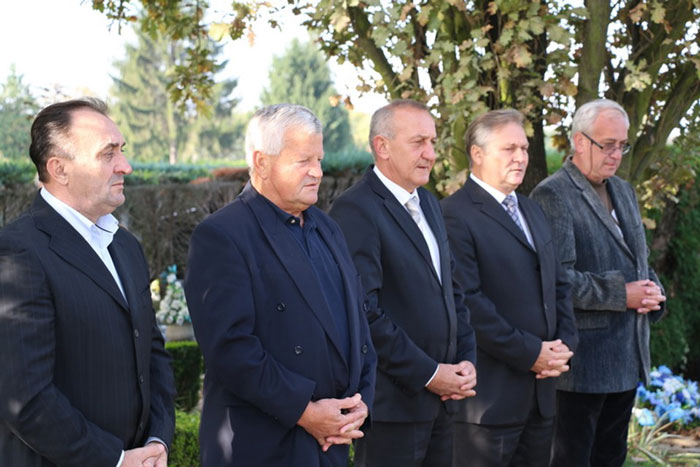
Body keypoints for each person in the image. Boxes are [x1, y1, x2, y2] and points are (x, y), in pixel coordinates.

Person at [184, 103, 376, 467]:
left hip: (332, 442)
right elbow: (230, 348)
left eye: (319, 159)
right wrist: (306, 412)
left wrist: (360, 403)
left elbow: (358, 324)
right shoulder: (222, 235)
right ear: (261, 162)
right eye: (303, 161)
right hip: (262, 446)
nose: (318, 172)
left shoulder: (328, 228)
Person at [0, 98, 175, 467]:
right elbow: (25, 398)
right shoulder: (17, 252)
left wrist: (158, 440)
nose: (125, 165)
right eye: (107, 154)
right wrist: (116, 460)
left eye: (121, 150)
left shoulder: (125, 245)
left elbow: (152, 353)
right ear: (59, 169)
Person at [328, 99, 477, 467]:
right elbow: (364, 312)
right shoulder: (356, 209)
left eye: (433, 142)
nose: (430, 154)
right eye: (418, 142)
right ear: (382, 146)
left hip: (444, 403)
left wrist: (465, 361)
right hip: (393, 408)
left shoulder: (429, 203)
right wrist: (430, 374)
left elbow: (452, 291)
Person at [530, 98, 666, 466]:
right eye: (607, 145)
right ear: (579, 141)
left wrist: (653, 292)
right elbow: (556, 280)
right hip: (582, 368)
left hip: (628, 358)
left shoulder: (624, 190)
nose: (616, 154)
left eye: (622, 145)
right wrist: (623, 294)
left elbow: (638, 261)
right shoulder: (552, 194)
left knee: (611, 459)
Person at [440, 109, 578, 466]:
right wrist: (531, 353)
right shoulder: (453, 215)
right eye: (509, 148)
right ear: (477, 153)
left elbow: (558, 284)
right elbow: (468, 303)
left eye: (524, 148)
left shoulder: (532, 210)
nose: (520, 157)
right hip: (489, 403)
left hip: (542, 397)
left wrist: (564, 346)